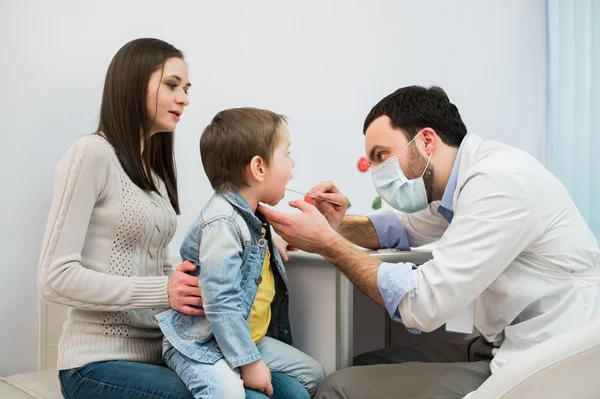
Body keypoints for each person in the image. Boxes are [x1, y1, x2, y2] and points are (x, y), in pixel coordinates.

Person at [259, 85, 600, 399]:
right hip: (505, 341)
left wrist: (328, 244)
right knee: (362, 364)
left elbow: (421, 304)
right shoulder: (457, 181)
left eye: (382, 155)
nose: (376, 170)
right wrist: (336, 225)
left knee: (338, 388)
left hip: (547, 355)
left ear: (426, 140)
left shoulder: (498, 184)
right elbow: (400, 229)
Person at [36, 38, 301, 399]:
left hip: (163, 349)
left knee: (291, 390)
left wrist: (263, 243)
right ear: (132, 83)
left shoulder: (155, 174)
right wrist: (163, 290)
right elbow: (54, 278)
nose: (185, 99)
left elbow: (168, 269)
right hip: (96, 362)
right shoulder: (91, 154)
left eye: (187, 89)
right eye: (172, 85)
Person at [156, 107, 325, 399]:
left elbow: (248, 258)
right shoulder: (223, 223)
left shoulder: (253, 218)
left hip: (243, 338)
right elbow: (221, 303)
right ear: (259, 168)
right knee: (226, 393)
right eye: (287, 154)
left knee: (313, 374)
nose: (293, 164)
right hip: (202, 342)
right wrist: (250, 362)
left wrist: (277, 245)